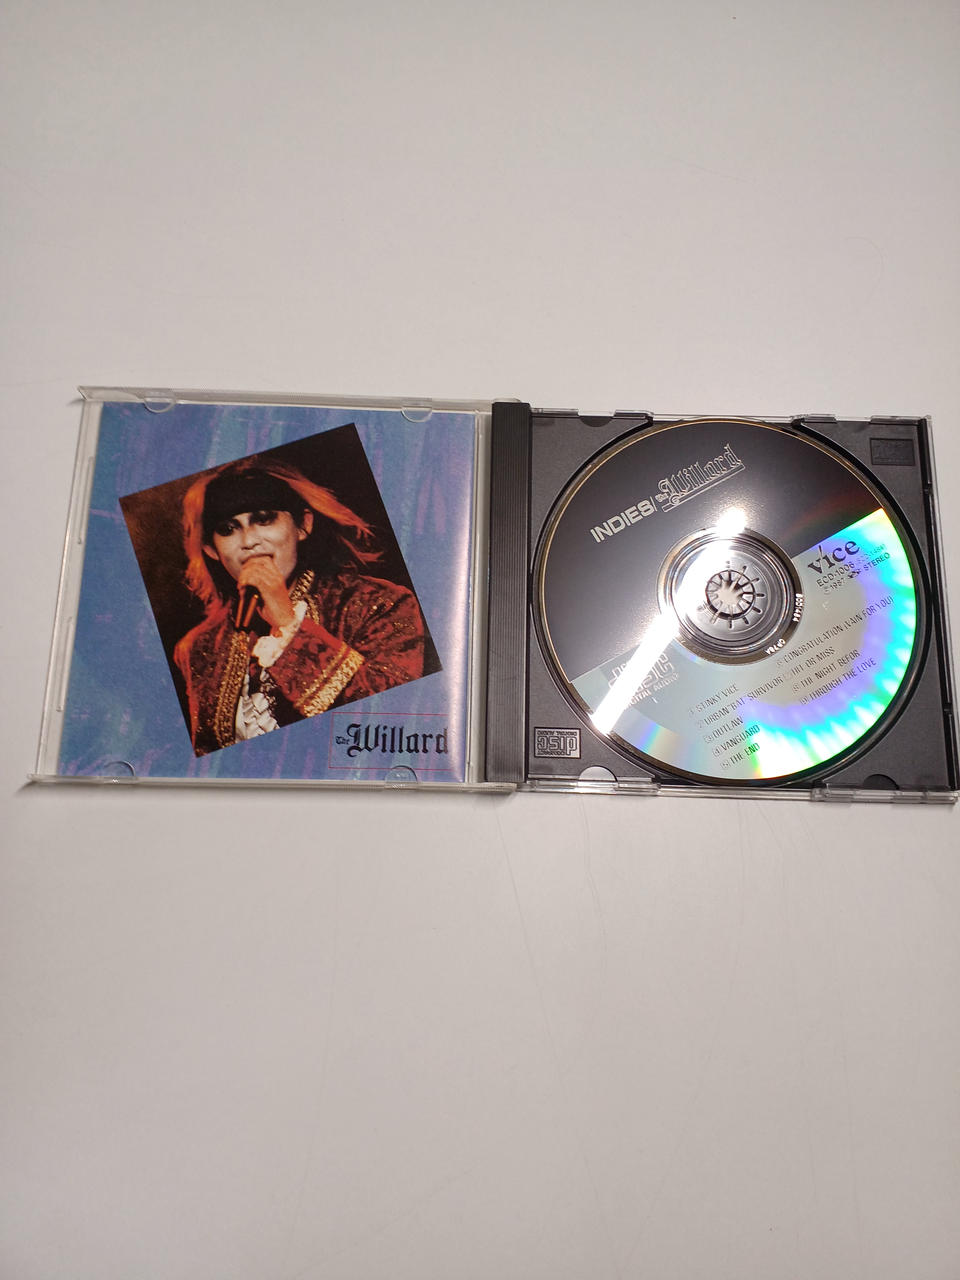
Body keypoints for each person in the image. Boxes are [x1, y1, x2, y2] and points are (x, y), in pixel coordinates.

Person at [173, 456, 427, 755]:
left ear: (303, 525)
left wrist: (286, 622)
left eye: (264, 519)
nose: (249, 540)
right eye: (228, 529)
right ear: (211, 550)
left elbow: (386, 724)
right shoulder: (198, 647)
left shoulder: (380, 604)